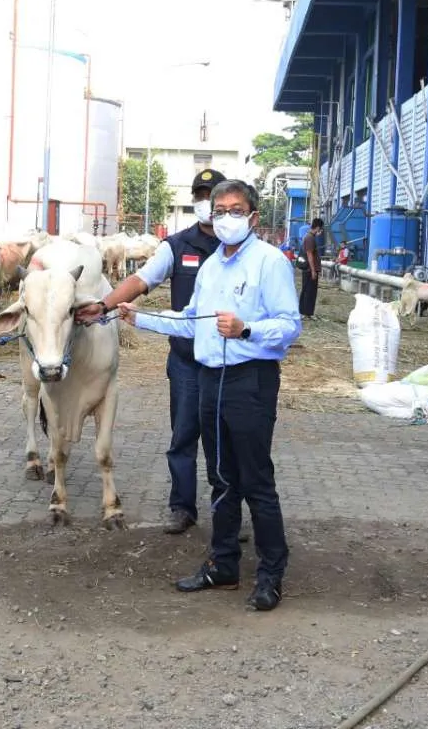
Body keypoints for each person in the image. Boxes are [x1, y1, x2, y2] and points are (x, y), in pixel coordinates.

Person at [118, 179, 303, 611]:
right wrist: (140, 318)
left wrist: (247, 329)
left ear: (253, 217)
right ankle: (223, 563)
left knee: (255, 480)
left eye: (236, 210)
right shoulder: (212, 267)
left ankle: (271, 573)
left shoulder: (269, 262)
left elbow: (290, 326)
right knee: (220, 477)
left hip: (249, 381)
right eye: (219, 211)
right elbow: (190, 321)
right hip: (209, 379)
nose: (226, 218)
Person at [76, 169, 226, 534]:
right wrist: (105, 304)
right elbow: (140, 280)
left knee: (225, 439)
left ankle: (227, 512)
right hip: (187, 360)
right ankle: (182, 507)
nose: (206, 202)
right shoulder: (176, 245)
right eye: (200, 195)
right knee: (184, 434)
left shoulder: (238, 247)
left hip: (229, 361)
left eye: (213, 195)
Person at [299, 218, 323, 319]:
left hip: (308, 269)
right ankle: (306, 313)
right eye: (320, 229)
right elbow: (309, 255)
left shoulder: (309, 236)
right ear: (317, 227)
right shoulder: (310, 238)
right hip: (309, 269)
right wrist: (313, 270)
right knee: (309, 291)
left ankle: (306, 312)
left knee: (308, 290)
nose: (320, 231)